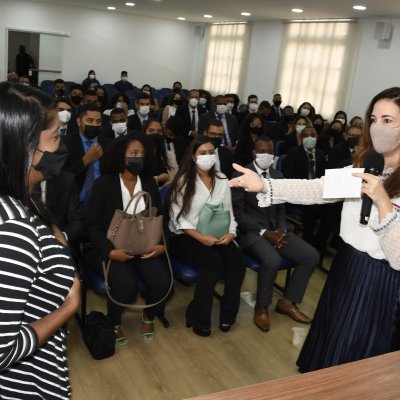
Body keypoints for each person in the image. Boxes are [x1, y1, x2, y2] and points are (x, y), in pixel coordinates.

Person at [228, 86, 400, 372]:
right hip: (348, 265)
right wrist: (266, 185)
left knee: (360, 354)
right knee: (333, 338)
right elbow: (317, 189)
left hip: (381, 279)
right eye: (373, 119)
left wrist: (383, 204)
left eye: (388, 121)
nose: (376, 127)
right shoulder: (366, 164)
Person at [0, 82, 79, 398]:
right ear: (25, 145)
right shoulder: (14, 227)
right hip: (24, 384)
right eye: (56, 137)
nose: (62, 146)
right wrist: (69, 306)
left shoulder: (21, 200)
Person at [85, 133, 171, 343]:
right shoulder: (104, 184)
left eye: (142, 154)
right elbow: (91, 225)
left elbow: (161, 218)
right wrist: (110, 251)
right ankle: (113, 321)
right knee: (126, 286)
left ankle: (148, 315)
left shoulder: (149, 183)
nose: (138, 157)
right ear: (120, 156)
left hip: (144, 246)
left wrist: (162, 246)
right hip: (111, 247)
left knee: (162, 281)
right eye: (133, 153)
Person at [232, 136, 318, 331]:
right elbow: (238, 213)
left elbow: (281, 208)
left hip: (276, 229)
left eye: (270, 151)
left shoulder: (278, 175)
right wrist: (263, 232)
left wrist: (282, 230)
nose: (266, 155)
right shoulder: (241, 174)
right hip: (250, 232)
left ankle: (287, 302)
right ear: (254, 153)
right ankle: (262, 307)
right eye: (262, 151)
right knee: (273, 260)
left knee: (311, 256)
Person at [167, 135, 246, 336]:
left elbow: (229, 212)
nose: (208, 156)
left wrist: (231, 233)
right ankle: (199, 317)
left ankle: (228, 316)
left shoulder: (221, 179)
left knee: (237, 261)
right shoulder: (183, 181)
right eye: (203, 153)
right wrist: (202, 238)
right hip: (186, 235)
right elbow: (179, 220)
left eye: (211, 152)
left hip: (216, 231)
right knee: (213, 263)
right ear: (193, 157)